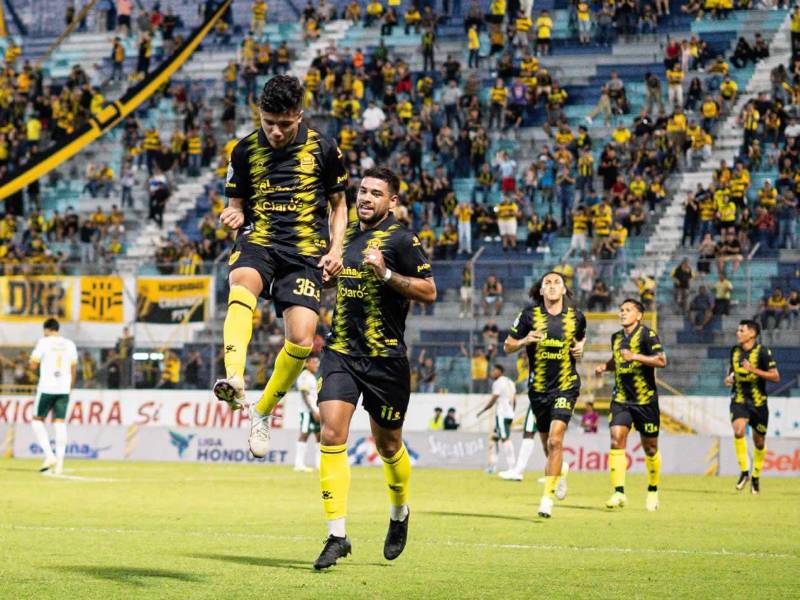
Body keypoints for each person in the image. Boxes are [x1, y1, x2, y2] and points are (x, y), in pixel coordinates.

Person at [214, 75, 348, 459]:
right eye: (268, 122)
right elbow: (236, 205)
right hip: (260, 240)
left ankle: (262, 411)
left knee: (302, 340)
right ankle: (235, 378)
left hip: (305, 252)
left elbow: (339, 205)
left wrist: (336, 250)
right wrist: (233, 215)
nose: (275, 131)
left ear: (299, 116)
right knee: (241, 286)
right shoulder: (243, 151)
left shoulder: (324, 149)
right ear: (259, 114)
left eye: (284, 124)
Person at [313, 167, 436, 569]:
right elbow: (333, 280)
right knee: (331, 432)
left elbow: (429, 291)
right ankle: (336, 535)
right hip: (341, 352)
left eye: (376, 193)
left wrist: (385, 272)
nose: (365, 198)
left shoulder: (401, 239)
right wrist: (327, 276)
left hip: (385, 359)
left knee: (388, 446)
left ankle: (399, 512)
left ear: (392, 201)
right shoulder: (344, 234)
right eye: (362, 191)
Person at [503, 271, 586, 518]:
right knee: (547, 445)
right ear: (541, 290)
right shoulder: (528, 316)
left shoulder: (576, 317)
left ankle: (546, 500)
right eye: (547, 283)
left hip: (566, 386)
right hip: (538, 390)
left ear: (563, 290)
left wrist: (581, 348)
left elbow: (581, 338)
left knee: (555, 441)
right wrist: (525, 340)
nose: (551, 286)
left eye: (556, 282)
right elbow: (507, 345)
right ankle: (560, 471)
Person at [595, 299, 667, 511]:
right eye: (621, 310)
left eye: (628, 310)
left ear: (639, 315)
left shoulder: (648, 335)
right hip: (621, 400)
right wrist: (605, 366)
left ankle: (653, 490)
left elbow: (661, 360)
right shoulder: (616, 337)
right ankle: (619, 492)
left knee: (650, 448)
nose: (622, 313)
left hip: (645, 401)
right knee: (616, 439)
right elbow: (617, 360)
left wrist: (635, 356)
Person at [724, 320, 780, 495]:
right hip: (739, 400)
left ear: (752, 334)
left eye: (741, 330)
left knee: (759, 442)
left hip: (759, 403)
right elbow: (732, 370)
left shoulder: (762, 352)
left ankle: (755, 476)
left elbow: (775, 376)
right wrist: (729, 378)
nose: (738, 333)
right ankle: (744, 471)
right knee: (739, 430)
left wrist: (753, 369)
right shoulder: (735, 351)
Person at [29, 319, 78, 476]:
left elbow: (33, 365)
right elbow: (74, 368)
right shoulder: (70, 344)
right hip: (64, 387)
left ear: (46, 329)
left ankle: (49, 455)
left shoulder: (43, 342)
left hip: (47, 387)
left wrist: (31, 365)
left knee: (37, 420)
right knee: (60, 422)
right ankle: (60, 464)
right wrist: (70, 387)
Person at [477, 365, 517, 474]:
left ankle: (512, 468)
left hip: (502, 415)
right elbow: (515, 399)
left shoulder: (498, 382)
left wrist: (482, 410)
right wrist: (512, 412)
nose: (492, 372)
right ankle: (493, 466)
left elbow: (494, 399)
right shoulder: (510, 382)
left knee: (505, 439)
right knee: (495, 438)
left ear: (500, 371)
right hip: (509, 414)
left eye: (494, 370)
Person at [294, 356, 322, 472]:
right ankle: (298, 464)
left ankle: (319, 464)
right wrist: (313, 410)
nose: (316, 365)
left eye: (317, 362)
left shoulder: (312, 377)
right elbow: (304, 394)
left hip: (315, 410)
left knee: (319, 435)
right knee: (304, 434)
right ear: (306, 364)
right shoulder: (304, 376)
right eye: (314, 362)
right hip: (306, 411)